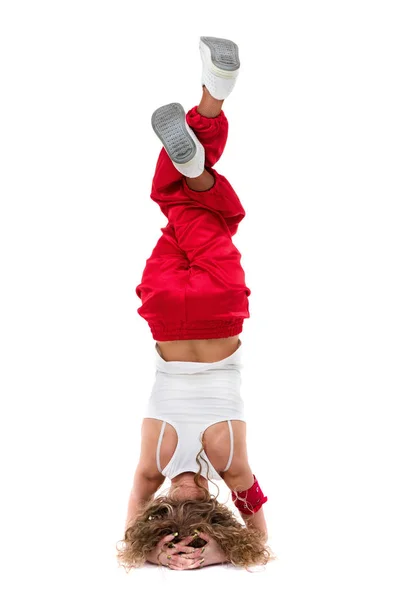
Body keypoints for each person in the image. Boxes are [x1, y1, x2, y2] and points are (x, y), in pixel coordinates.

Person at [117, 36, 274, 571]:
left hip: (221, 307)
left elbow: (258, 531)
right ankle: (208, 116)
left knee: (195, 203)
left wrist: (219, 548)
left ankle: (212, 105)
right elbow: (135, 518)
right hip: (164, 308)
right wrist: (159, 553)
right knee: (177, 199)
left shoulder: (232, 468)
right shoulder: (154, 464)